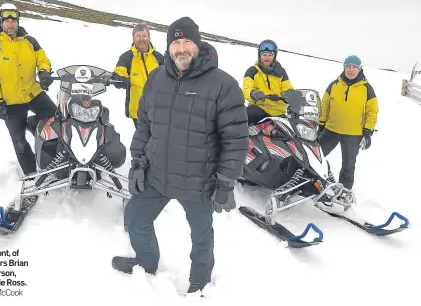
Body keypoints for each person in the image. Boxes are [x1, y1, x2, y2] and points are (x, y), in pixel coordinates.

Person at [111, 17, 249, 296]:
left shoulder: (223, 84)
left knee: (201, 236)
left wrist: (225, 183)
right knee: (136, 218)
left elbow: (235, 139)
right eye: (175, 43)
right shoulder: (156, 77)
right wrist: (138, 161)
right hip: (157, 173)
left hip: (198, 181)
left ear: (198, 45)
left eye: (187, 42)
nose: (181, 48)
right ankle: (146, 263)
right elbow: (145, 124)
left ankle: (199, 284)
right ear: (168, 47)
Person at [0, 3, 57, 176]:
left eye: (13, 20)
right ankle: (31, 176)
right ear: (1, 23)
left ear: (18, 22)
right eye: (6, 21)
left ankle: (37, 131)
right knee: (19, 142)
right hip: (11, 102)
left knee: (57, 121)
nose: (10, 24)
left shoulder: (30, 41)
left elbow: (43, 59)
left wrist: (44, 72)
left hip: (34, 93)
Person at [318, 55, 379, 190]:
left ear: (359, 69)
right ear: (344, 68)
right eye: (348, 67)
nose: (350, 70)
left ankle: (344, 192)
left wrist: (368, 132)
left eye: (354, 67)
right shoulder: (334, 85)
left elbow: (372, 111)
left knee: (348, 166)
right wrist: (321, 124)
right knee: (316, 156)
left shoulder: (367, 89)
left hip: (353, 134)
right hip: (331, 130)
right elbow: (324, 105)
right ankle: (310, 183)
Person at [109, 23, 164, 128]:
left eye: (144, 36)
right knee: (142, 141)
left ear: (149, 37)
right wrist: (121, 79)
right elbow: (118, 72)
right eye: (138, 36)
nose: (141, 39)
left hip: (158, 109)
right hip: (137, 111)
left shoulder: (158, 58)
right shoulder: (127, 57)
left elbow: (169, 75)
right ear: (133, 38)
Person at [242, 39, 294, 125]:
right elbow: (246, 89)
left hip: (279, 113)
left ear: (274, 56)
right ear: (259, 56)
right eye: (264, 55)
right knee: (244, 115)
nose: (267, 58)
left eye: (270, 55)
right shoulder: (252, 71)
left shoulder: (281, 73)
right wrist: (253, 93)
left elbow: (288, 88)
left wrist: (289, 95)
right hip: (259, 109)